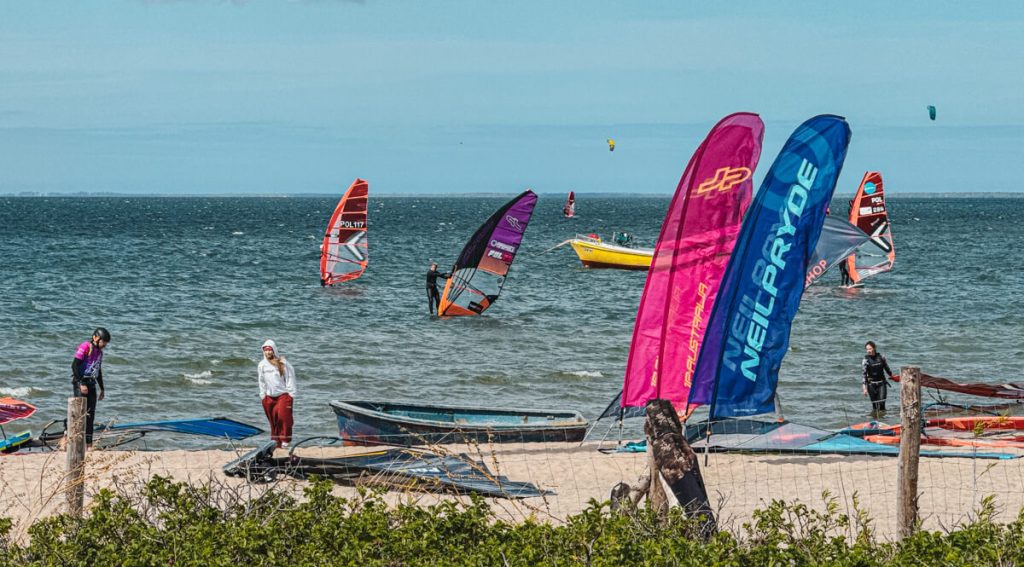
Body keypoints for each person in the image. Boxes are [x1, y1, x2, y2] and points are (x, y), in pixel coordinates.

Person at [72, 327, 110, 447]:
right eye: (103, 342)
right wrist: (81, 383)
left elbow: (98, 371)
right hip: (80, 383)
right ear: (96, 338)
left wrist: (102, 389)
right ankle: (75, 442)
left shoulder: (99, 352)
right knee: (80, 414)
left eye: (106, 343)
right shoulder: (85, 346)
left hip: (91, 383)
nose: (104, 345)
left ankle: (89, 444)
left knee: (90, 415)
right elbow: (74, 366)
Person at [258, 339, 296, 448]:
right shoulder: (261, 365)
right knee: (273, 420)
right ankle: (276, 442)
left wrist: (291, 394)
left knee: (284, 418)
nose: (268, 352)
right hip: (269, 397)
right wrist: (263, 395)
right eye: (266, 350)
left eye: (270, 350)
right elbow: (261, 381)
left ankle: (285, 440)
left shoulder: (282, 363)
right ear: (263, 351)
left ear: (274, 350)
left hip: (283, 395)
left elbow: (290, 377)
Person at [861, 341, 895, 417]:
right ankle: (876, 422)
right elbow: (864, 374)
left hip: (881, 383)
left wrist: (893, 377)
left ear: (874, 348)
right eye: (867, 349)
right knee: (875, 406)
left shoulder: (881, 357)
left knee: (882, 403)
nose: (868, 351)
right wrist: (864, 388)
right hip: (871, 385)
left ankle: (883, 419)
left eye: (870, 348)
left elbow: (887, 369)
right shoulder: (865, 360)